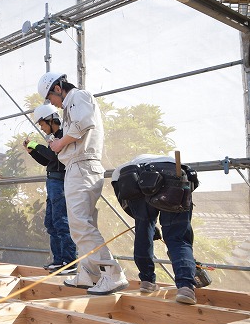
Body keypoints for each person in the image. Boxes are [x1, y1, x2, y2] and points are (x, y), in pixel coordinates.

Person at [39, 71, 128, 295]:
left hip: (83, 167)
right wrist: (61, 144)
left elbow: (83, 124)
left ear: (58, 88)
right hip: (78, 167)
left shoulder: (78, 97)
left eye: (51, 99)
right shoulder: (72, 105)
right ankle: (89, 273)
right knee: (81, 224)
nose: (54, 105)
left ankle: (112, 273)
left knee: (80, 225)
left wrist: (60, 143)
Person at [111, 154, 199, 304]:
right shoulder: (167, 160)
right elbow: (190, 187)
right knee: (177, 238)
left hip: (139, 180)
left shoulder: (119, 173)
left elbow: (126, 202)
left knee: (142, 233)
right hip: (175, 177)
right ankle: (186, 287)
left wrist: (144, 223)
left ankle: (147, 281)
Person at [25, 103, 77, 274]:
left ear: (50, 120)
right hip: (52, 182)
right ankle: (59, 260)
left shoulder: (62, 136)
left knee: (61, 222)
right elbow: (48, 162)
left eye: (42, 124)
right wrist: (32, 151)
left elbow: (54, 156)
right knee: (51, 223)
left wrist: (35, 144)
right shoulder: (55, 136)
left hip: (60, 183)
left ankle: (70, 262)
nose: (41, 127)